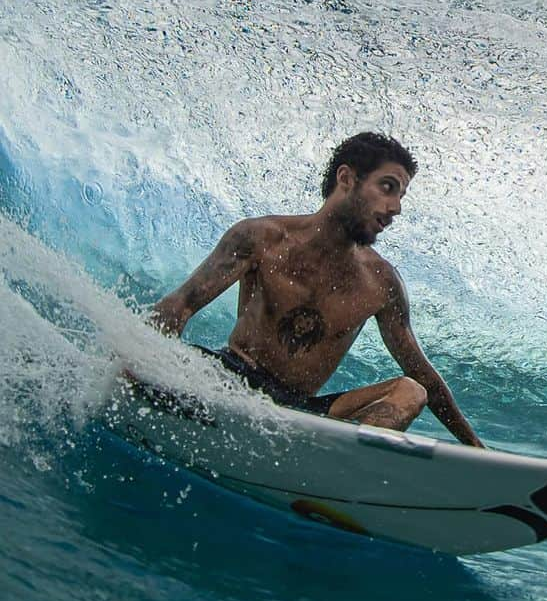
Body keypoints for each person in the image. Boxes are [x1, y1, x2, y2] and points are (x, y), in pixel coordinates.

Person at [149, 132, 483, 447]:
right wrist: (143, 364)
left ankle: (336, 463)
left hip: (300, 413)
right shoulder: (262, 238)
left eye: (400, 195)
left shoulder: (381, 283)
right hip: (227, 381)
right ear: (347, 178)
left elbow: (422, 374)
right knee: (169, 357)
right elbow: (180, 306)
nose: (396, 207)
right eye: (387, 187)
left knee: (410, 391)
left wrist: (475, 451)